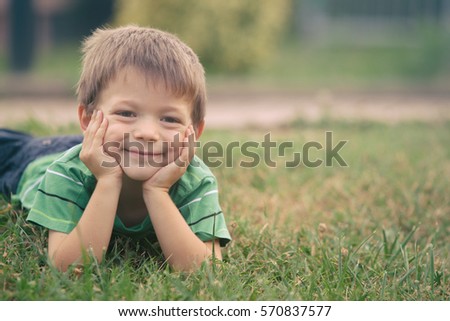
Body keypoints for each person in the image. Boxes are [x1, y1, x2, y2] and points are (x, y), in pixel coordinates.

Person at [0, 25, 231, 272]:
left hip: (115, 145)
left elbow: (206, 272)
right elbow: (67, 269)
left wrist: (157, 190)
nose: (148, 133)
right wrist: (108, 181)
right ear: (88, 120)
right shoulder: (67, 173)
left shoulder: (195, 181)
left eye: (169, 119)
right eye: (126, 113)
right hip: (36, 158)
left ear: (194, 132)